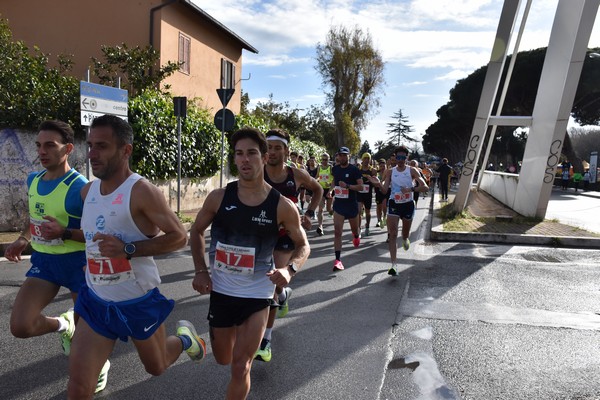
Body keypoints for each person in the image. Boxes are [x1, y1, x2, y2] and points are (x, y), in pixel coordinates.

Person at [67, 115, 202, 398]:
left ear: (125, 150)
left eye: (101, 146)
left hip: (136, 300)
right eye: (90, 145)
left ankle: (184, 339)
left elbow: (179, 236)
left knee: (157, 366)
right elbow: (93, 237)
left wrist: (128, 250)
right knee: (79, 387)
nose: (92, 153)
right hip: (96, 301)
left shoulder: (141, 191)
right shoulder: (87, 191)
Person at [189, 127, 310, 399]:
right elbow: (195, 231)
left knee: (241, 366)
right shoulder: (219, 198)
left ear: (264, 158)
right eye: (239, 154)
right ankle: (192, 342)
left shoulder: (282, 206)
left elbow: (303, 245)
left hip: (258, 294)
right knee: (222, 357)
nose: (245, 160)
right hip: (221, 292)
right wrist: (200, 270)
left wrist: (288, 269)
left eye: (252, 153)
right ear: (234, 159)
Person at [4, 120, 112, 392]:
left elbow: (98, 234)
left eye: (49, 145)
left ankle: (101, 367)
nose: (42, 151)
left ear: (68, 149)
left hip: (79, 266)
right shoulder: (33, 180)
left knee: (86, 344)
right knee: (21, 325)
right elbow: (36, 218)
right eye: (38, 145)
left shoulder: (82, 188)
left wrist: (64, 233)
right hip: (46, 264)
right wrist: (23, 238)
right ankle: (63, 324)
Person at [256, 128, 322, 362]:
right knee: (272, 285)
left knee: (271, 281)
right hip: (262, 233)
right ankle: (284, 294)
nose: (272, 152)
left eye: (277, 148)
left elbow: (318, 189)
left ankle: (266, 341)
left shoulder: (297, 174)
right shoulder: (258, 172)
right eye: (268, 147)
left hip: (287, 235)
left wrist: (310, 214)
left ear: (286, 151)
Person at [379, 146, 428, 276]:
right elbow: (384, 190)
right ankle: (394, 265)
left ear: (407, 158)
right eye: (398, 157)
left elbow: (425, 187)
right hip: (394, 203)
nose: (400, 160)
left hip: (407, 205)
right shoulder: (390, 171)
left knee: (404, 234)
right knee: (393, 234)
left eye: (403, 157)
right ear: (395, 157)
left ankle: (406, 238)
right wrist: (378, 184)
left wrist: (411, 190)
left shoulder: (412, 171)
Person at [331, 147, 363, 271]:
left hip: (351, 205)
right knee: (337, 232)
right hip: (339, 205)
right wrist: (331, 190)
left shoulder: (354, 170)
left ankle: (356, 236)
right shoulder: (335, 169)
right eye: (340, 155)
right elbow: (334, 182)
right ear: (338, 156)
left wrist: (348, 186)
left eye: (345, 155)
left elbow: (361, 187)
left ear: (349, 156)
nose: (342, 157)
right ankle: (338, 260)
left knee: (354, 230)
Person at [357, 153, 377, 236]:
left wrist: (371, 180)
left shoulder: (373, 170)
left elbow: (375, 183)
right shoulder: (358, 169)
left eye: (368, 158)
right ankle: (359, 228)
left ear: (370, 160)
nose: (366, 160)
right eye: (365, 158)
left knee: (368, 212)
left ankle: (367, 226)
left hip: (368, 193)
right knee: (359, 211)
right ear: (362, 159)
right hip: (359, 193)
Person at [316, 152, 334, 236]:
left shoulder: (331, 168)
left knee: (328, 209)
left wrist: (330, 185)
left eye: (326, 159)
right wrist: (316, 181)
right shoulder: (319, 167)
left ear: (329, 160)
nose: (324, 161)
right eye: (323, 159)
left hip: (329, 189)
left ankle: (334, 213)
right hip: (321, 189)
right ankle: (320, 227)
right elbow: (317, 176)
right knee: (320, 208)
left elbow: (334, 180)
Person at [374, 158, 388, 228]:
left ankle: (385, 217)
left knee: (384, 205)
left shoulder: (388, 173)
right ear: (379, 166)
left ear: (386, 166)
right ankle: (379, 220)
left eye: (383, 166)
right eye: (381, 166)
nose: (382, 168)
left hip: (385, 192)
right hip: (378, 192)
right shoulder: (376, 173)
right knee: (379, 207)